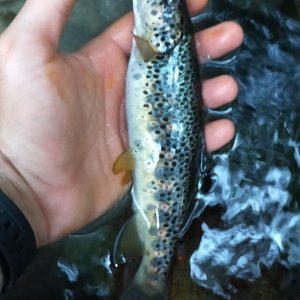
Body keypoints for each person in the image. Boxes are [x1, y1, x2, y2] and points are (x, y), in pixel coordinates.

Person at [0, 0, 243, 292]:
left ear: (169, 26)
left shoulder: (154, 47)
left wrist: (17, 182)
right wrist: (15, 180)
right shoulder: (153, 45)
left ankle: (151, 282)